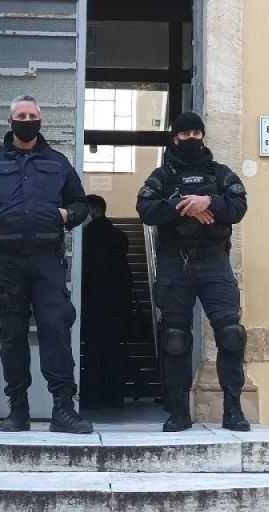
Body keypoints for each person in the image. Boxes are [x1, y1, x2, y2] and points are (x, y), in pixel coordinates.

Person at [0, 95, 93, 434]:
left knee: (56, 331)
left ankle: (63, 409)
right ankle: (18, 410)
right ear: (10, 121)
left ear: (40, 120)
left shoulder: (57, 162)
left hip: (48, 260)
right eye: (21, 115)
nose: (27, 120)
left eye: (32, 116)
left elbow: (80, 203)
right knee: (13, 336)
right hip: (8, 261)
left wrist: (67, 214)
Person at [135, 112, 250, 433]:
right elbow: (145, 209)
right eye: (185, 134)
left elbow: (239, 207)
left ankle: (233, 410)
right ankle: (178, 412)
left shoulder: (221, 174)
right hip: (176, 263)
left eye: (196, 133)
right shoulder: (162, 176)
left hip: (214, 262)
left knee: (231, 334)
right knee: (175, 338)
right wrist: (184, 205)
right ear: (175, 138)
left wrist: (209, 201)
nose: (191, 138)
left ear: (203, 135)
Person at [80, 194, 132, 409]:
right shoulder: (119, 236)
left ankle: (93, 394)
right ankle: (116, 394)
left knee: (93, 348)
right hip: (118, 301)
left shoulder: (86, 236)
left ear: (95, 210)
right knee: (113, 347)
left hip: (94, 300)